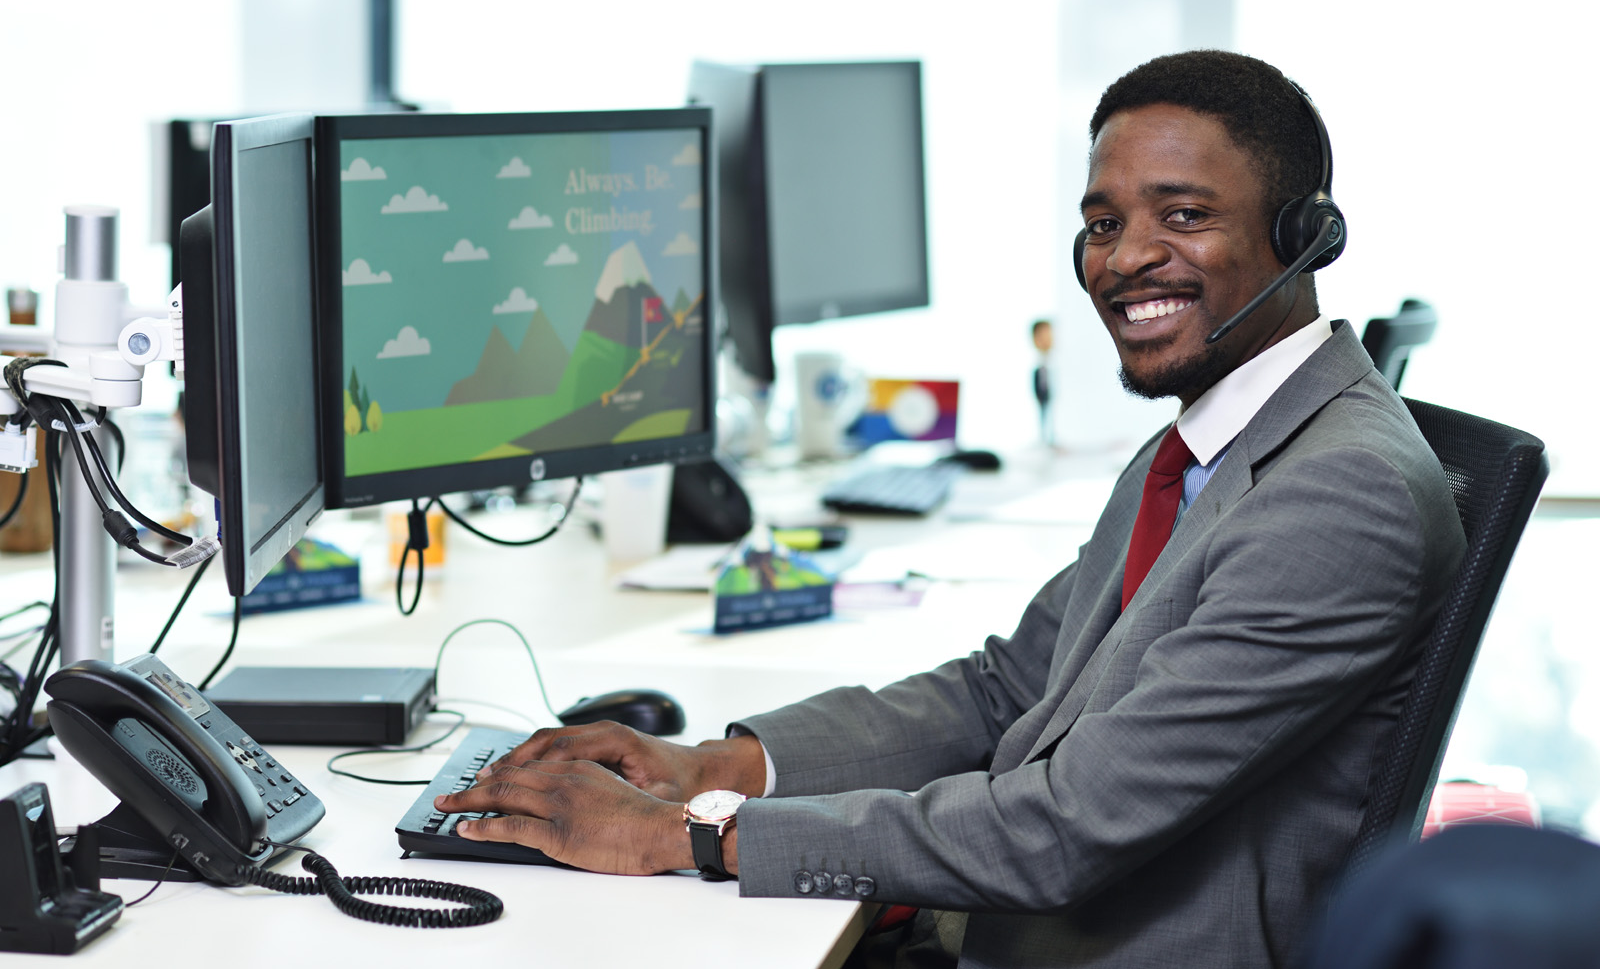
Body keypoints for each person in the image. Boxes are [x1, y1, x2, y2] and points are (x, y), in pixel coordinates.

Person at [435, 50, 1467, 968]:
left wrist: (687, 832)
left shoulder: (1337, 493)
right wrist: (710, 763)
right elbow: (1003, 691)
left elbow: (1061, 828)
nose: (1123, 258)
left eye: (1183, 215)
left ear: (1303, 237)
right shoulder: (1208, 443)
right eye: (1102, 223)